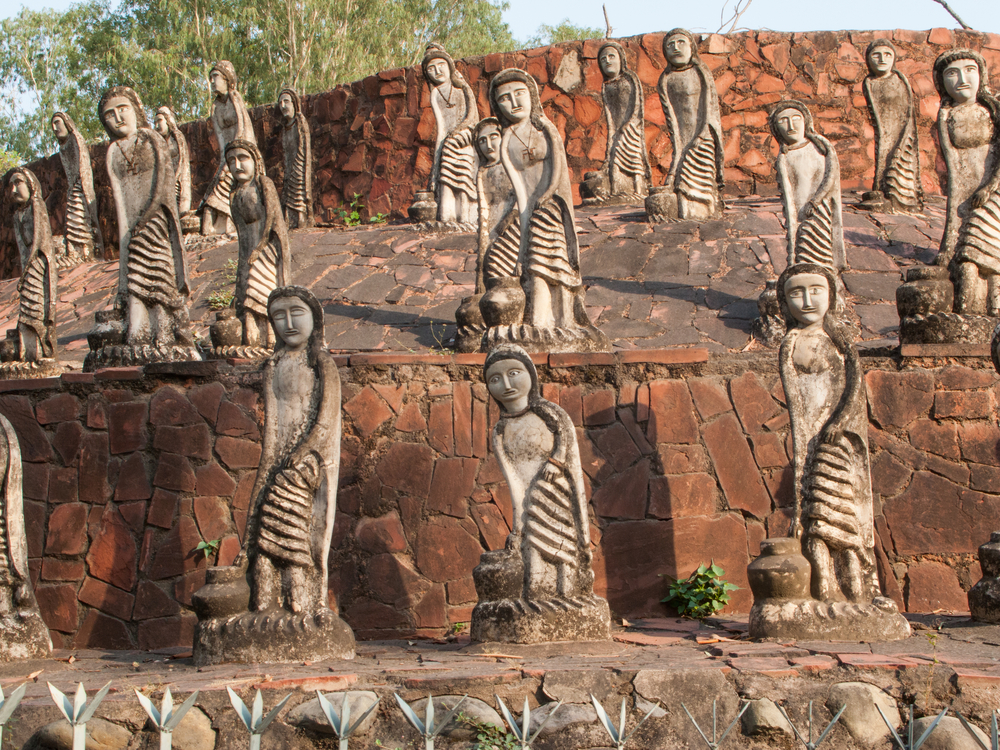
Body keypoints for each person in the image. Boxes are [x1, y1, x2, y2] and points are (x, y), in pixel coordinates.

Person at [778, 263, 876, 603]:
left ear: (831, 296)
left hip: (839, 440)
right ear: (784, 301)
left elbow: (854, 390)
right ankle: (823, 592)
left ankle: (859, 591)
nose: (806, 300)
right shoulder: (790, 342)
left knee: (844, 519)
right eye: (796, 293)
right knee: (816, 520)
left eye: (816, 290)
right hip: (812, 442)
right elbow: (797, 403)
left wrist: (839, 424)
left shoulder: (839, 343)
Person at [241, 286, 341, 614]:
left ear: (315, 318)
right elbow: (272, 431)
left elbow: (326, 418)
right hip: (280, 458)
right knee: (262, 525)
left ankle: (303, 603)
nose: (288, 323)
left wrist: (305, 451)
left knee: (288, 516)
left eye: (296, 313)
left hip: (311, 459)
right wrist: (265, 472)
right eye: (278, 316)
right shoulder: (273, 366)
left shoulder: (321, 363)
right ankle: (265, 604)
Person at [488, 68, 605, 347]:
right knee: (532, 259)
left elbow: (559, 169)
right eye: (504, 98)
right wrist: (525, 218)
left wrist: (548, 194)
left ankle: (561, 320)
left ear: (531, 96)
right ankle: (538, 321)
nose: (514, 102)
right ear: (497, 106)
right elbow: (518, 186)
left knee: (553, 260)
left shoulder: (544, 128)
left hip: (552, 205)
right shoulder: (505, 141)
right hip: (530, 209)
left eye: (519, 94)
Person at [99, 85, 196, 354]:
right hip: (133, 229)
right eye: (109, 114)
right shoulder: (113, 152)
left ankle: (164, 332)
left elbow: (164, 185)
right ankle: (137, 334)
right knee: (135, 279)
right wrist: (126, 238)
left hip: (156, 222)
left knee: (159, 276)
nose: (117, 117)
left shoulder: (152, 138)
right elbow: (120, 203)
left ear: (136, 111)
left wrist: (146, 218)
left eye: (122, 109)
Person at [933, 49, 1000, 315]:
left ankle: (994, 306)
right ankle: (968, 305)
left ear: (981, 76)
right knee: (965, 254)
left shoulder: (991, 111)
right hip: (965, 195)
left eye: (970, 70)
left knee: (988, 247)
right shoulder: (946, 116)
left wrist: (991, 187)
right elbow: (954, 168)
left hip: (992, 193)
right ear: (942, 82)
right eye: (952, 73)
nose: (962, 78)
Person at [653, 28, 724, 219]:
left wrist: (702, 135)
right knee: (679, 180)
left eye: (681, 43)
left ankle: (705, 206)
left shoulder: (700, 71)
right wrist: (679, 149)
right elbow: (671, 119)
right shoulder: (665, 79)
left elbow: (709, 107)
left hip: (703, 136)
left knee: (700, 177)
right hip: (682, 140)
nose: (676, 48)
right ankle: (684, 208)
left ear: (692, 47)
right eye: (670, 45)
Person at [226, 139, 291, 349]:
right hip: (247, 251)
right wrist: (246, 258)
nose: (237, 165)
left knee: (261, 291)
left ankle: (272, 339)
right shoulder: (234, 194)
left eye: (243, 158)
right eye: (231, 161)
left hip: (267, 248)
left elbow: (273, 219)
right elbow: (241, 231)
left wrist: (261, 248)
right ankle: (252, 341)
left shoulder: (264, 184)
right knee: (245, 292)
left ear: (255, 160)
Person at [769, 100, 846, 272]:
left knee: (822, 249)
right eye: (783, 121)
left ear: (806, 122)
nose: (791, 125)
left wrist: (816, 202)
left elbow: (830, 177)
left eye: (796, 118)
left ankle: (828, 281)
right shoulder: (784, 158)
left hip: (820, 211)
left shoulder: (821, 148)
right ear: (776, 130)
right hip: (798, 217)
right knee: (802, 249)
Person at [582, 41, 650, 204]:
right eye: (603, 59)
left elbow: (637, 105)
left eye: (612, 56)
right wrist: (613, 137)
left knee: (632, 158)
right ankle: (615, 189)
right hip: (616, 131)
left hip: (631, 128)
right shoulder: (606, 86)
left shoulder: (630, 78)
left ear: (621, 60)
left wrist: (629, 126)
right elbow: (609, 116)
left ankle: (637, 189)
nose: (607, 61)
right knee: (609, 162)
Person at [860, 39, 922, 213]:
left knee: (899, 164)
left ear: (894, 59)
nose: (882, 59)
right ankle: (881, 188)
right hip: (884, 130)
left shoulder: (899, 79)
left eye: (888, 55)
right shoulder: (869, 82)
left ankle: (902, 199)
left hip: (902, 131)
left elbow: (907, 110)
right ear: (868, 60)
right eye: (876, 55)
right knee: (883, 157)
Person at [423, 43, 479, 225]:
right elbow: (441, 129)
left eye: (441, 65)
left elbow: (472, 116)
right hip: (448, 143)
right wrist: (435, 164)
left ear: (449, 67)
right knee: (446, 165)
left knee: (464, 164)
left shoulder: (462, 88)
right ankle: (447, 216)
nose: (437, 71)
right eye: (431, 68)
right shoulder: (436, 95)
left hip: (467, 138)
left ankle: (466, 216)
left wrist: (461, 133)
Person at [201, 61, 256, 235]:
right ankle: (218, 224)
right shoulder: (216, 107)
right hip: (228, 155)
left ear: (227, 79)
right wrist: (224, 160)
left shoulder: (234, 97)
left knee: (226, 180)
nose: (212, 81)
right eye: (211, 77)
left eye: (215, 77)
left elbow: (243, 127)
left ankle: (225, 224)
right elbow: (219, 137)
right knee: (219, 179)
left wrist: (234, 155)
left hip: (242, 150)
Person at [9, 168, 57, 363]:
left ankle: (40, 351)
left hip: (38, 264)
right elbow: (22, 250)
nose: (13, 190)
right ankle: (28, 354)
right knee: (26, 309)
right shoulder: (16, 217)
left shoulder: (37, 207)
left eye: (18, 183)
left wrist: (29, 269)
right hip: (27, 269)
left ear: (31, 185)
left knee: (36, 308)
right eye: (11, 185)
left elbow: (39, 243)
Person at [51, 111, 103, 263]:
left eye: (57, 123)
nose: (55, 128)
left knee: (80, 216)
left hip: (80, 186)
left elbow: (83, 168)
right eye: (52, 125)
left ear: (67, 123)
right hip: (72, 187)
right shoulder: (62, 147)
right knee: (72, 220)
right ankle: (76, 252)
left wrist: (79, 187)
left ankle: (86, 252)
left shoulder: (76, 139)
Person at [277, 88, 313, 229]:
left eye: (286, 101)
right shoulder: (285, 127)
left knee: (298, 190)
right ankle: (289, 221)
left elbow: (304, 146)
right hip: (290, 164)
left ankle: (301, 219)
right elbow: (286, 150)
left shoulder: (300, 121)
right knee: (288, 192)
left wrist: (299, 164)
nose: (283, 106)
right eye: (280, 103)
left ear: (294, 103)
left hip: (299, 163)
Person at [153, 106, 192, 215]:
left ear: (168, 121)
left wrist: (176, 177)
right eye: (154, 122)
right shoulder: (157, 143)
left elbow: (182, 161)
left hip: (177, 181)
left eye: (159, 121)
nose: (156, 126)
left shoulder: (176, 136)